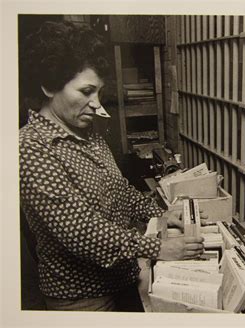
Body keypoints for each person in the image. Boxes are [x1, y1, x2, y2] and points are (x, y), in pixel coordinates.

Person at [19, 21, 204, 311]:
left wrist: (161, 214)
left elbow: (120, 191)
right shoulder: (30, 148)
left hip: (122, 278)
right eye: (86, 91)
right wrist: (157, 247)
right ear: (48, 85)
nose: (96, 104)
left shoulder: (88, 132)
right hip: (82, 297)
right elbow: (81, 231)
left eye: (99, 92)